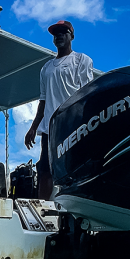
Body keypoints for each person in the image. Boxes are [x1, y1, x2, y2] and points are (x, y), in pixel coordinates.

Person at [24, 20, 95, 200]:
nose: (59, 36)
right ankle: (42, 206)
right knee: (44, 168)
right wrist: (33, 127)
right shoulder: (46, 68)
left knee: (73, 166)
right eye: (56, 33)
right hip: (49, 126)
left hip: (72, 124)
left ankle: (76, 203)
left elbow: (87, 93)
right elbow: (43, 100)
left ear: (71, 36)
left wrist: (85, 121)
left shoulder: (81, 60)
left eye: (63, 32)